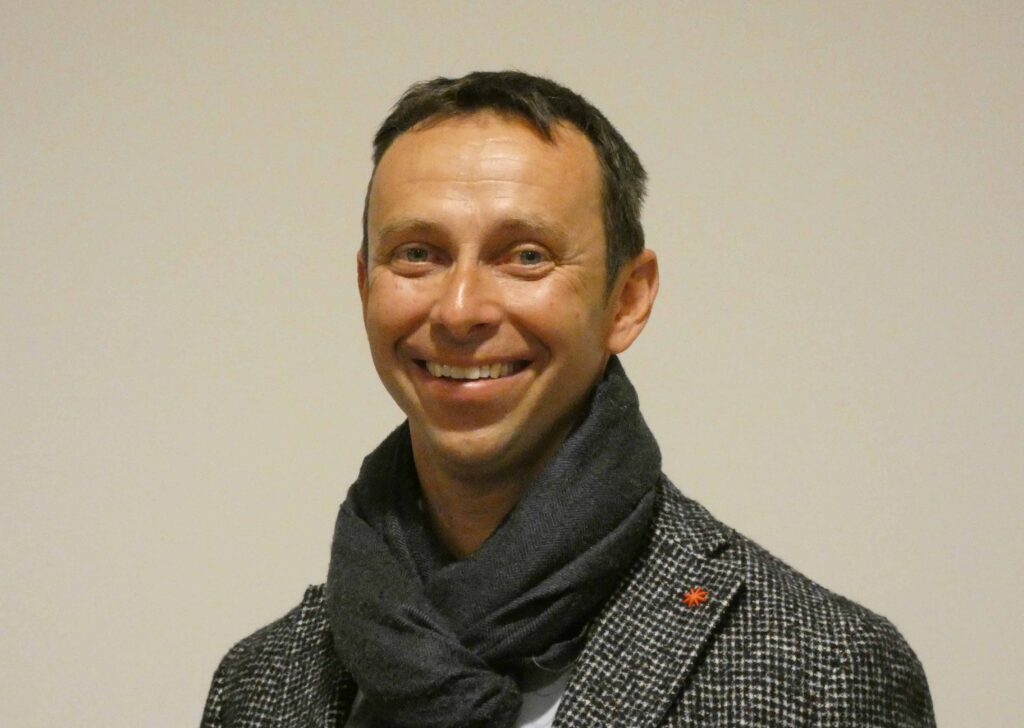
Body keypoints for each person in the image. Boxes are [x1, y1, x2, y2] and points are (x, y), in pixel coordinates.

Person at [201, 70, 935, 727]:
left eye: (526, 256)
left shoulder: (822, 673)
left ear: (628, 299)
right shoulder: (262, 683)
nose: (460, 310)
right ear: (365, 284)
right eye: (417, 254)